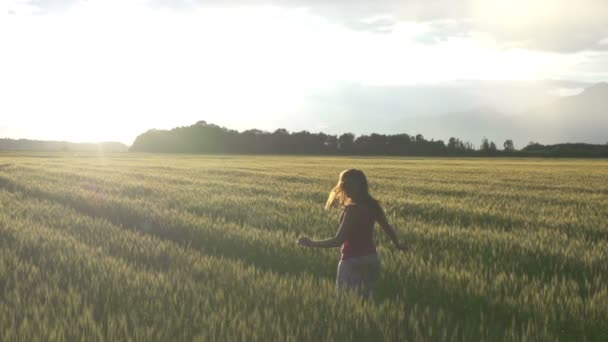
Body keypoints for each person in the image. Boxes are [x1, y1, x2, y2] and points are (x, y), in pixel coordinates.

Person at [297, 169, 407, 299]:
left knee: (346, 301)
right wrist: (398, 244)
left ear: (358, 187)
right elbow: (388, 228)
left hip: (352, 262)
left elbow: (338, 240)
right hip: (371, 260)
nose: (345, 188)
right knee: (369, 303)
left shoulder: (353, 211)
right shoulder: (373, 206)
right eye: (344, 184)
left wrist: (311, 243)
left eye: (347, 185)